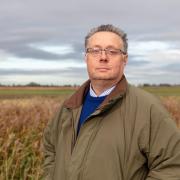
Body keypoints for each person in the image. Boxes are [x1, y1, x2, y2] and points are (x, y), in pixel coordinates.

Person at [43, 24, 180, 180]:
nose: (103, 57)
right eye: (95, 51)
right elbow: (50, 148)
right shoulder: (69, 107)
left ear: (125, 59)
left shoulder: (148, 108)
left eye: (112, 51)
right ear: (85, 57)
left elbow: (172, 166)